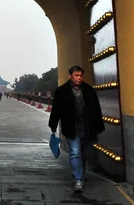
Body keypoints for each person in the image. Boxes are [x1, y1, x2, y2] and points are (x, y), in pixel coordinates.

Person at [48, 65, 105, 193]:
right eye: (76, 75)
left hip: (87, 127)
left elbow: (96, 109)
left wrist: (99, 125)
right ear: (70, 76)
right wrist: (53, 125)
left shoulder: (89, 90)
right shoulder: (61, 91)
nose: (79, 78)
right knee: (75, 152)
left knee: (84, 153)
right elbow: (56, 109)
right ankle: (78, 178)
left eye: (80, 75)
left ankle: (81, 175)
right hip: (71, 127)